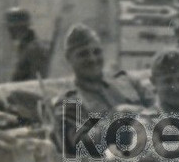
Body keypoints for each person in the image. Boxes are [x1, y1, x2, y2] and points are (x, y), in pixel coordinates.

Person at [53, 22, 153, 155]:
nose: (92, 59)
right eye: (83, 54)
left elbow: (156, 108)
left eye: (96, 52)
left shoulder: (126, 81)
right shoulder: (69, 102)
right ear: (68, 59)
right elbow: (79, 145)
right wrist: (115, 118)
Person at [5, 6, 50, 82]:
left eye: (10, 28)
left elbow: (36, 81)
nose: (8, 32)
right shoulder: (24, 47)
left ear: (17, 28)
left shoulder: (34, 48)